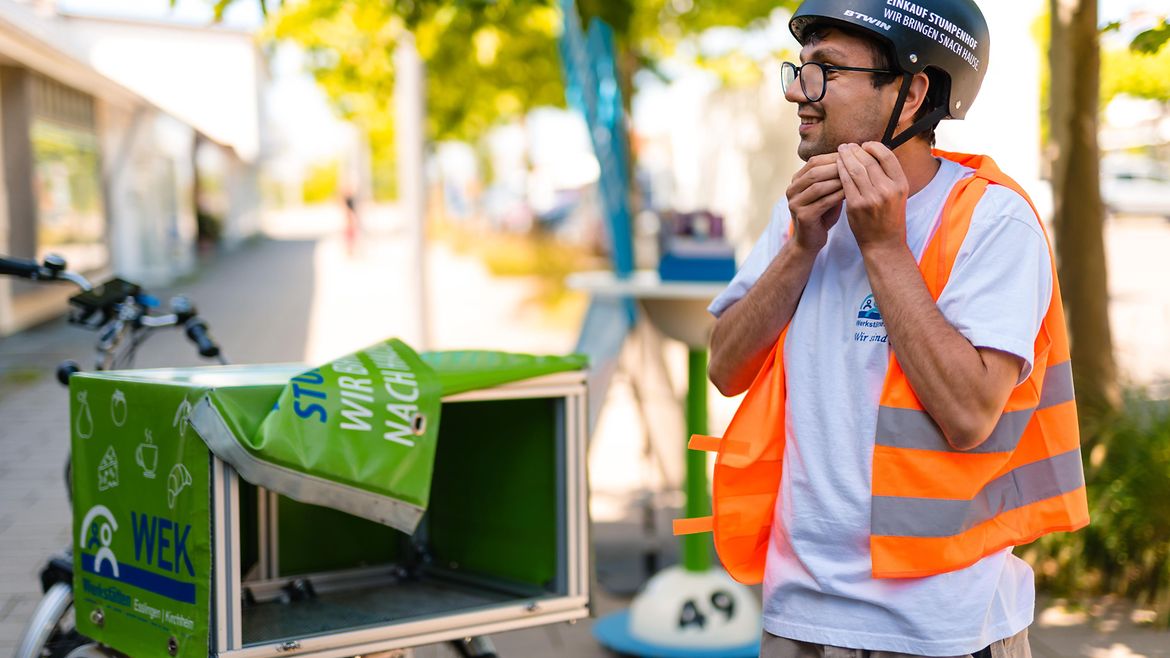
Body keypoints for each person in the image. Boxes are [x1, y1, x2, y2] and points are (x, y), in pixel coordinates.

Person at [677, 1, 1089, 656]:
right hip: (798, 615)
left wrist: (886, 250)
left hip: (941, 626)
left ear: (913, 90)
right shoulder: (804, 212)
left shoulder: (991, 221)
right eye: (799, 68)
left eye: (825, 71)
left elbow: (969, 413)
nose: (796, 91)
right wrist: (799, 249)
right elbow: (724, 368)